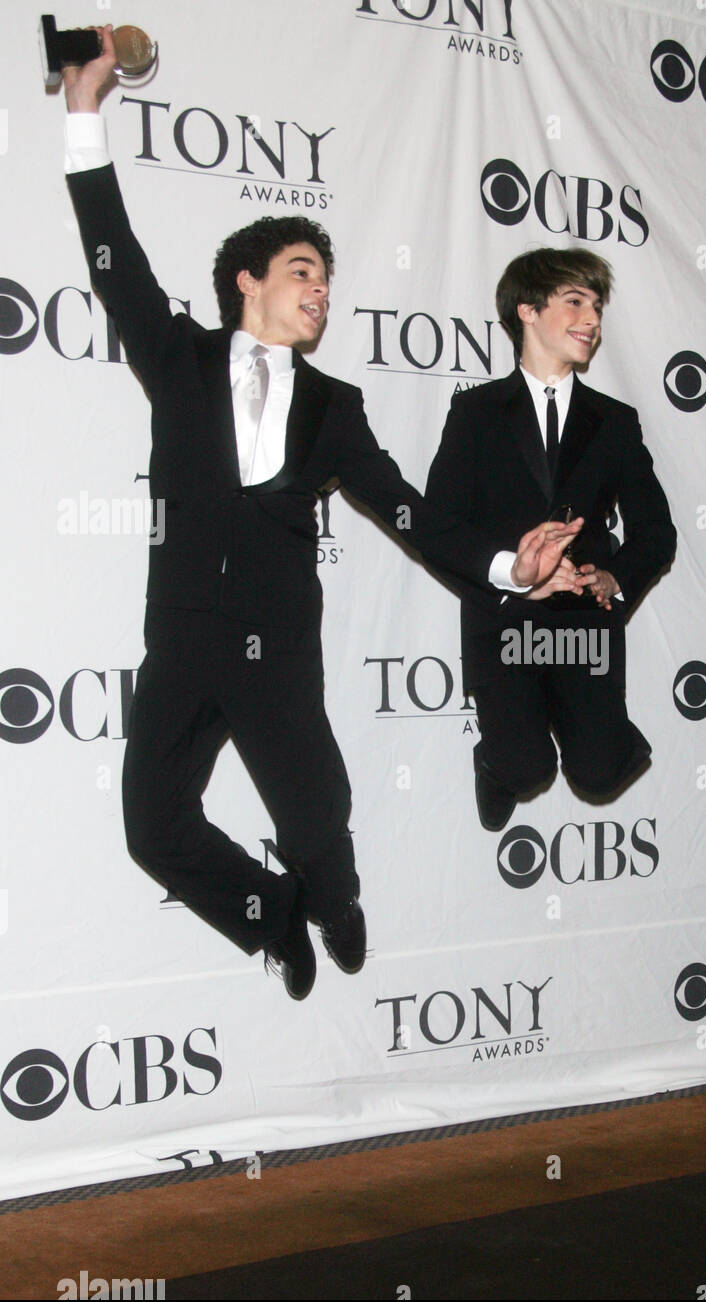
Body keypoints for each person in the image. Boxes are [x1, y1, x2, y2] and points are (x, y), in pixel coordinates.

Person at [60, 29, 579, 1000]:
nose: (322, 291)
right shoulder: (177, 361)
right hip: (180, 641)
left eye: (328, 280)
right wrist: (84, 110)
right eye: (303, 270)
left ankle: (332, 902)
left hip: (276, 646)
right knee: (152, 827)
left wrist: (513, 566)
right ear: (247, 281)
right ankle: (273, 916)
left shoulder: (333, 406)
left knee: (317, 821)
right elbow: (113, 260)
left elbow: (413, 515)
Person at [424, 248, 675, 829]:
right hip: (506, 621)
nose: (592, 319)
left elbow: (656, 530)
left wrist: (616, 578)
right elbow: (440, 526)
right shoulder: (475, 412)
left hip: (585, 622)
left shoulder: (615, 422)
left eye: (597, 306)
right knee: (527, 769)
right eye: (575, 301)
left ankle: (599, 736)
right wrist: (514, 575)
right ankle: (496, 762)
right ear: (528, 311)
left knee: (600, 774)